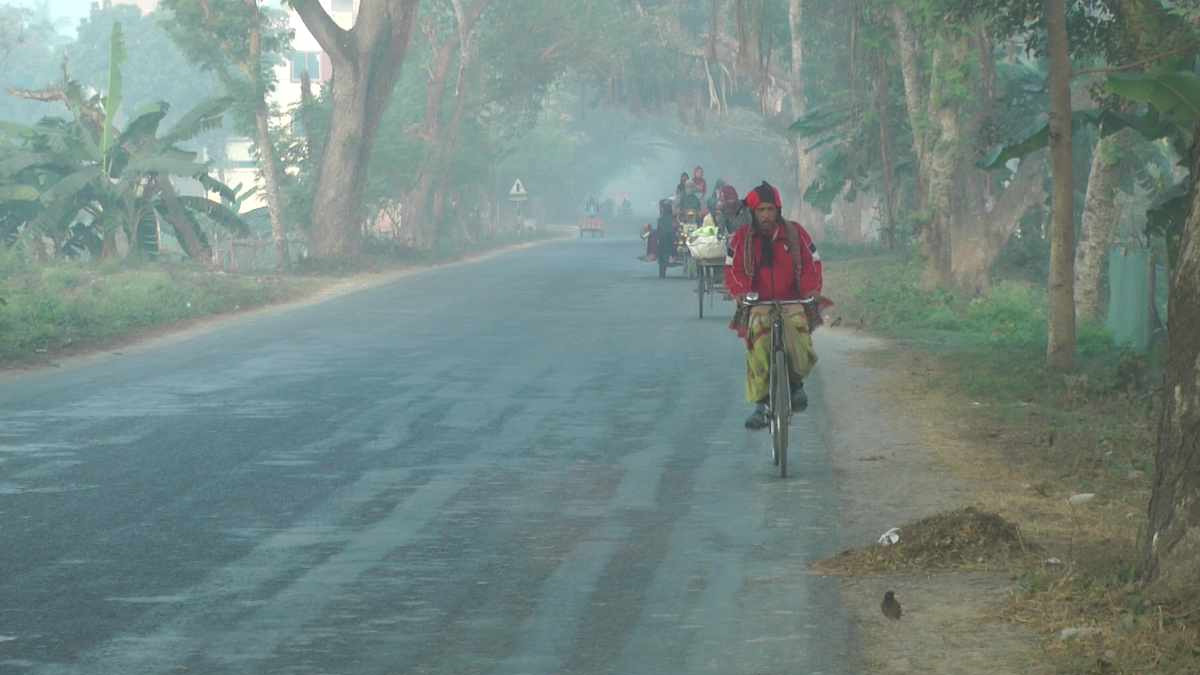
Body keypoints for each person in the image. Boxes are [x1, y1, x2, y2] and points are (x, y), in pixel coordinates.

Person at [724, 181, 822, 430]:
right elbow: (731, 268)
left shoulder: (795, 233)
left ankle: (796, 384)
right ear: (754, 213)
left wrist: (811, 292)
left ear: (778, 210)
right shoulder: (741, 239)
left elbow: (813, 262)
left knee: (799, 333)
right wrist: (742, 293)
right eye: (761, 210)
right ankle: (762, 403)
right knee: (758, 340)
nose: (766, 215)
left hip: (793, 300)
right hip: (759, 303)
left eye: (770, 209)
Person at [655, 199, 677, 278]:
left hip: (666, 241)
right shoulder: (672, 219)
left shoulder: (661, 219)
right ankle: (673, 256)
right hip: (669, 241)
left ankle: (672, 256)